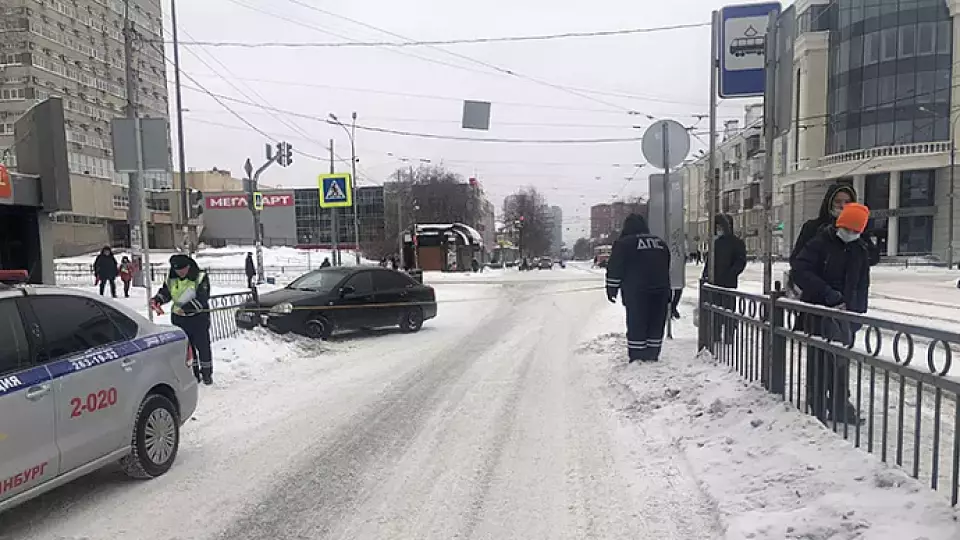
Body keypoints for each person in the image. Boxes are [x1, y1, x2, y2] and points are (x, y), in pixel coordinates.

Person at [791, 203, 872, 424]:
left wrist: (857, 315)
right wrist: (827, 293)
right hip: (818, 310)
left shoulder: (860, 250)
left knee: (841, 362)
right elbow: (800, 270)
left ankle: (839, 405)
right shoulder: (820, 243)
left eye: (856, 231)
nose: (851, 234)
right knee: (820, 360)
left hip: (845, 315)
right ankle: (816, 405)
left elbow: (862, 285)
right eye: (848, 229)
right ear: (839, 225)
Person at [606, 214, 671, 363]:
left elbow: (615, 268)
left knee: (637, 322)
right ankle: (653, 354)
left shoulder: (624, 244)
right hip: (660, 291)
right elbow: (666, 267)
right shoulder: (660, 243)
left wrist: (612, 289)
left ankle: (637, 357)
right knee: (656, 323)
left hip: (637, 292)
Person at [151, 254, 214, 385]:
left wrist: (187, 309)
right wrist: (158, 300)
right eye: (177, 270)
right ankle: (194, 373)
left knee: (203, 347)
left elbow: (202, 297)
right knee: (187, 348)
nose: (179, 273)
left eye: (182, 270)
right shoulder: (171, 277)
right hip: (179, 319)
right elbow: (166, 292)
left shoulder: (200, 276)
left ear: (188, 266)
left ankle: (207, 373)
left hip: (198, 318)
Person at [702, 214, 747, 344]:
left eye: (719, 226)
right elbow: (709, 262)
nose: (718, 229)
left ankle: (729, 335)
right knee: (716, 311)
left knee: (728, 311)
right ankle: (716, 334)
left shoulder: (736, 243)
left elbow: (740, 262)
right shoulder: (715, 242)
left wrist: (730, 275)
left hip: (728, 284)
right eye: (716, 227)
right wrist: (705, 276)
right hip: (714, 283)